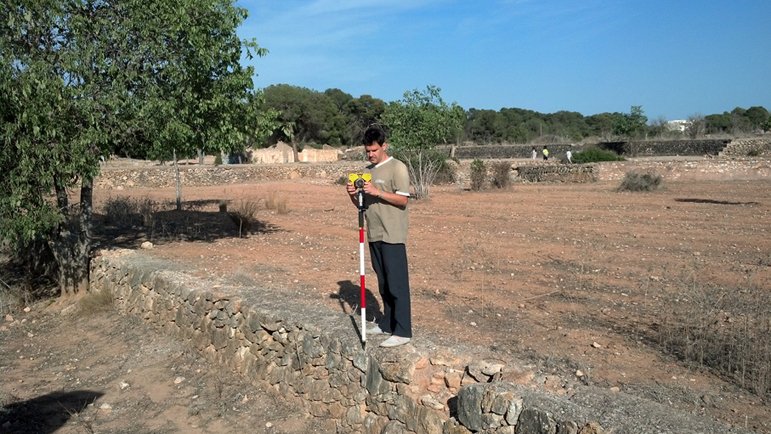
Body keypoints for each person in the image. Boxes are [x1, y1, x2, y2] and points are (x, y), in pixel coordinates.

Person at [346, 125, 412, 348]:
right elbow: (362, 205)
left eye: (374, 150)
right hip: (374, 233)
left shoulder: (397, 168)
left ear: (384, 146)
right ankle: (387, 324)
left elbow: (403, 200)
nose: (371, 155)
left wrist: (377, 191)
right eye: (367, 151)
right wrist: (352, 195)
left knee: (397, 283)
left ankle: (403, 331)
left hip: (393, 233)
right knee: (383, 283)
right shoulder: (367, 172)